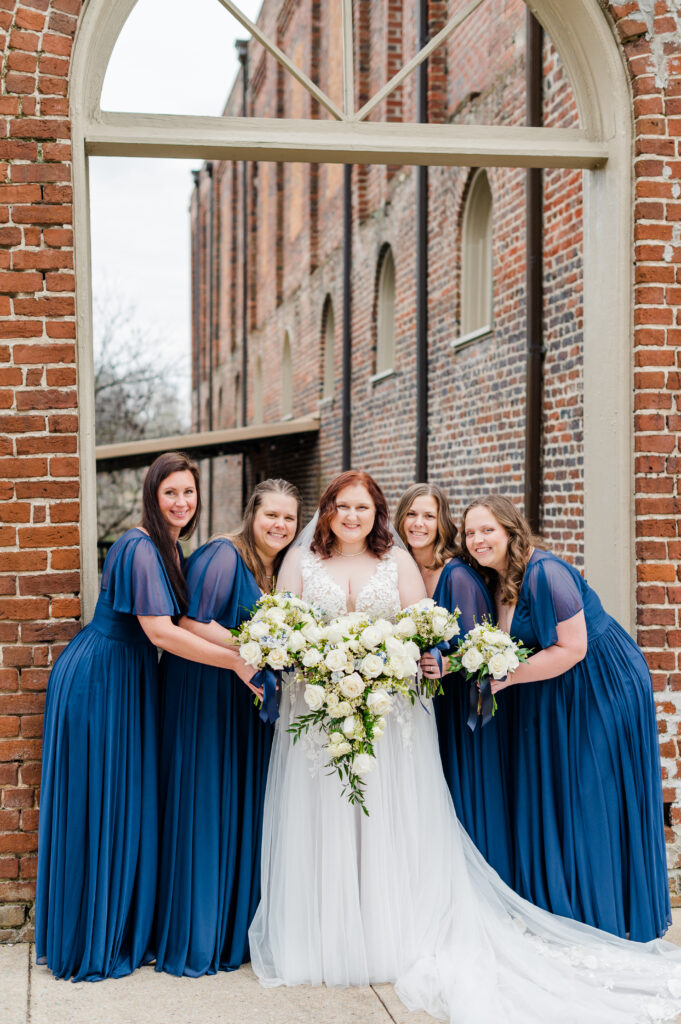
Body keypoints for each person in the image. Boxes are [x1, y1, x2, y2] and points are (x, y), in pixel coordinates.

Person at [249, 471, 681, 1023]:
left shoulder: (400, 562)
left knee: (389, 819)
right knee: (322, 820)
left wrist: (398, 659)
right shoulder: (300, 562)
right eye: (341, 506)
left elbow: (419, 633)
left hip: (389, 713)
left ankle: (390, 932)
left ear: (377, 512)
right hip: (318, 708)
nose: (351, 515)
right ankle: (324, 933)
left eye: (362, 506)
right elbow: (286, 629)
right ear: (328, 511)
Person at [35, 452, 257, 982]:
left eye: (189, 493)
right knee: (104, 805)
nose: (182, 502)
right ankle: (91, 939)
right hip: (101, 680)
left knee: (126, 805)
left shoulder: (169, 546)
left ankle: (117, 926)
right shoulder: (138, 547)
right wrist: (236, 661)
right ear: (152, 497)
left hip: (128, 677)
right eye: (171, 493)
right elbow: (160, 631)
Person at [462, 494, 671, 943]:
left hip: (600, 684)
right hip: (557, 687)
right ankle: (567, 910)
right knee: (563, 791)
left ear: (511, 531)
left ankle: (610, 920)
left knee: (592, 792)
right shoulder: (496, 579)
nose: (478, 539)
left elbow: (573, 648)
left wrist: (506, 678)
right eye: (470, 532)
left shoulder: (546, 572)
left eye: (487, 529)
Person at [155, 480, 301, 977]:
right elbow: (191, 622)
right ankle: (198, 937)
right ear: (251, 514)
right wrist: (254, 648)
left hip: (243, 697)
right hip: (204, 695)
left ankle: (233, 934)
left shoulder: (275, 570)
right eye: (271, 516)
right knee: (207, 805)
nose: (280, 525)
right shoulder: (223, 554)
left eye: (289, 518)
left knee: (239, 808)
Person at [395, 483, 513, 886]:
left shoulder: (457, 575)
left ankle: (483, 887)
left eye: (428, 515)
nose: (419, 523)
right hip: (418, 708)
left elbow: (482, 646)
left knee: (466, 793)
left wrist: (446, 662)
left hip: (463, 706)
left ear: (442, 522)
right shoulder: (396, 567)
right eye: (411, 514)